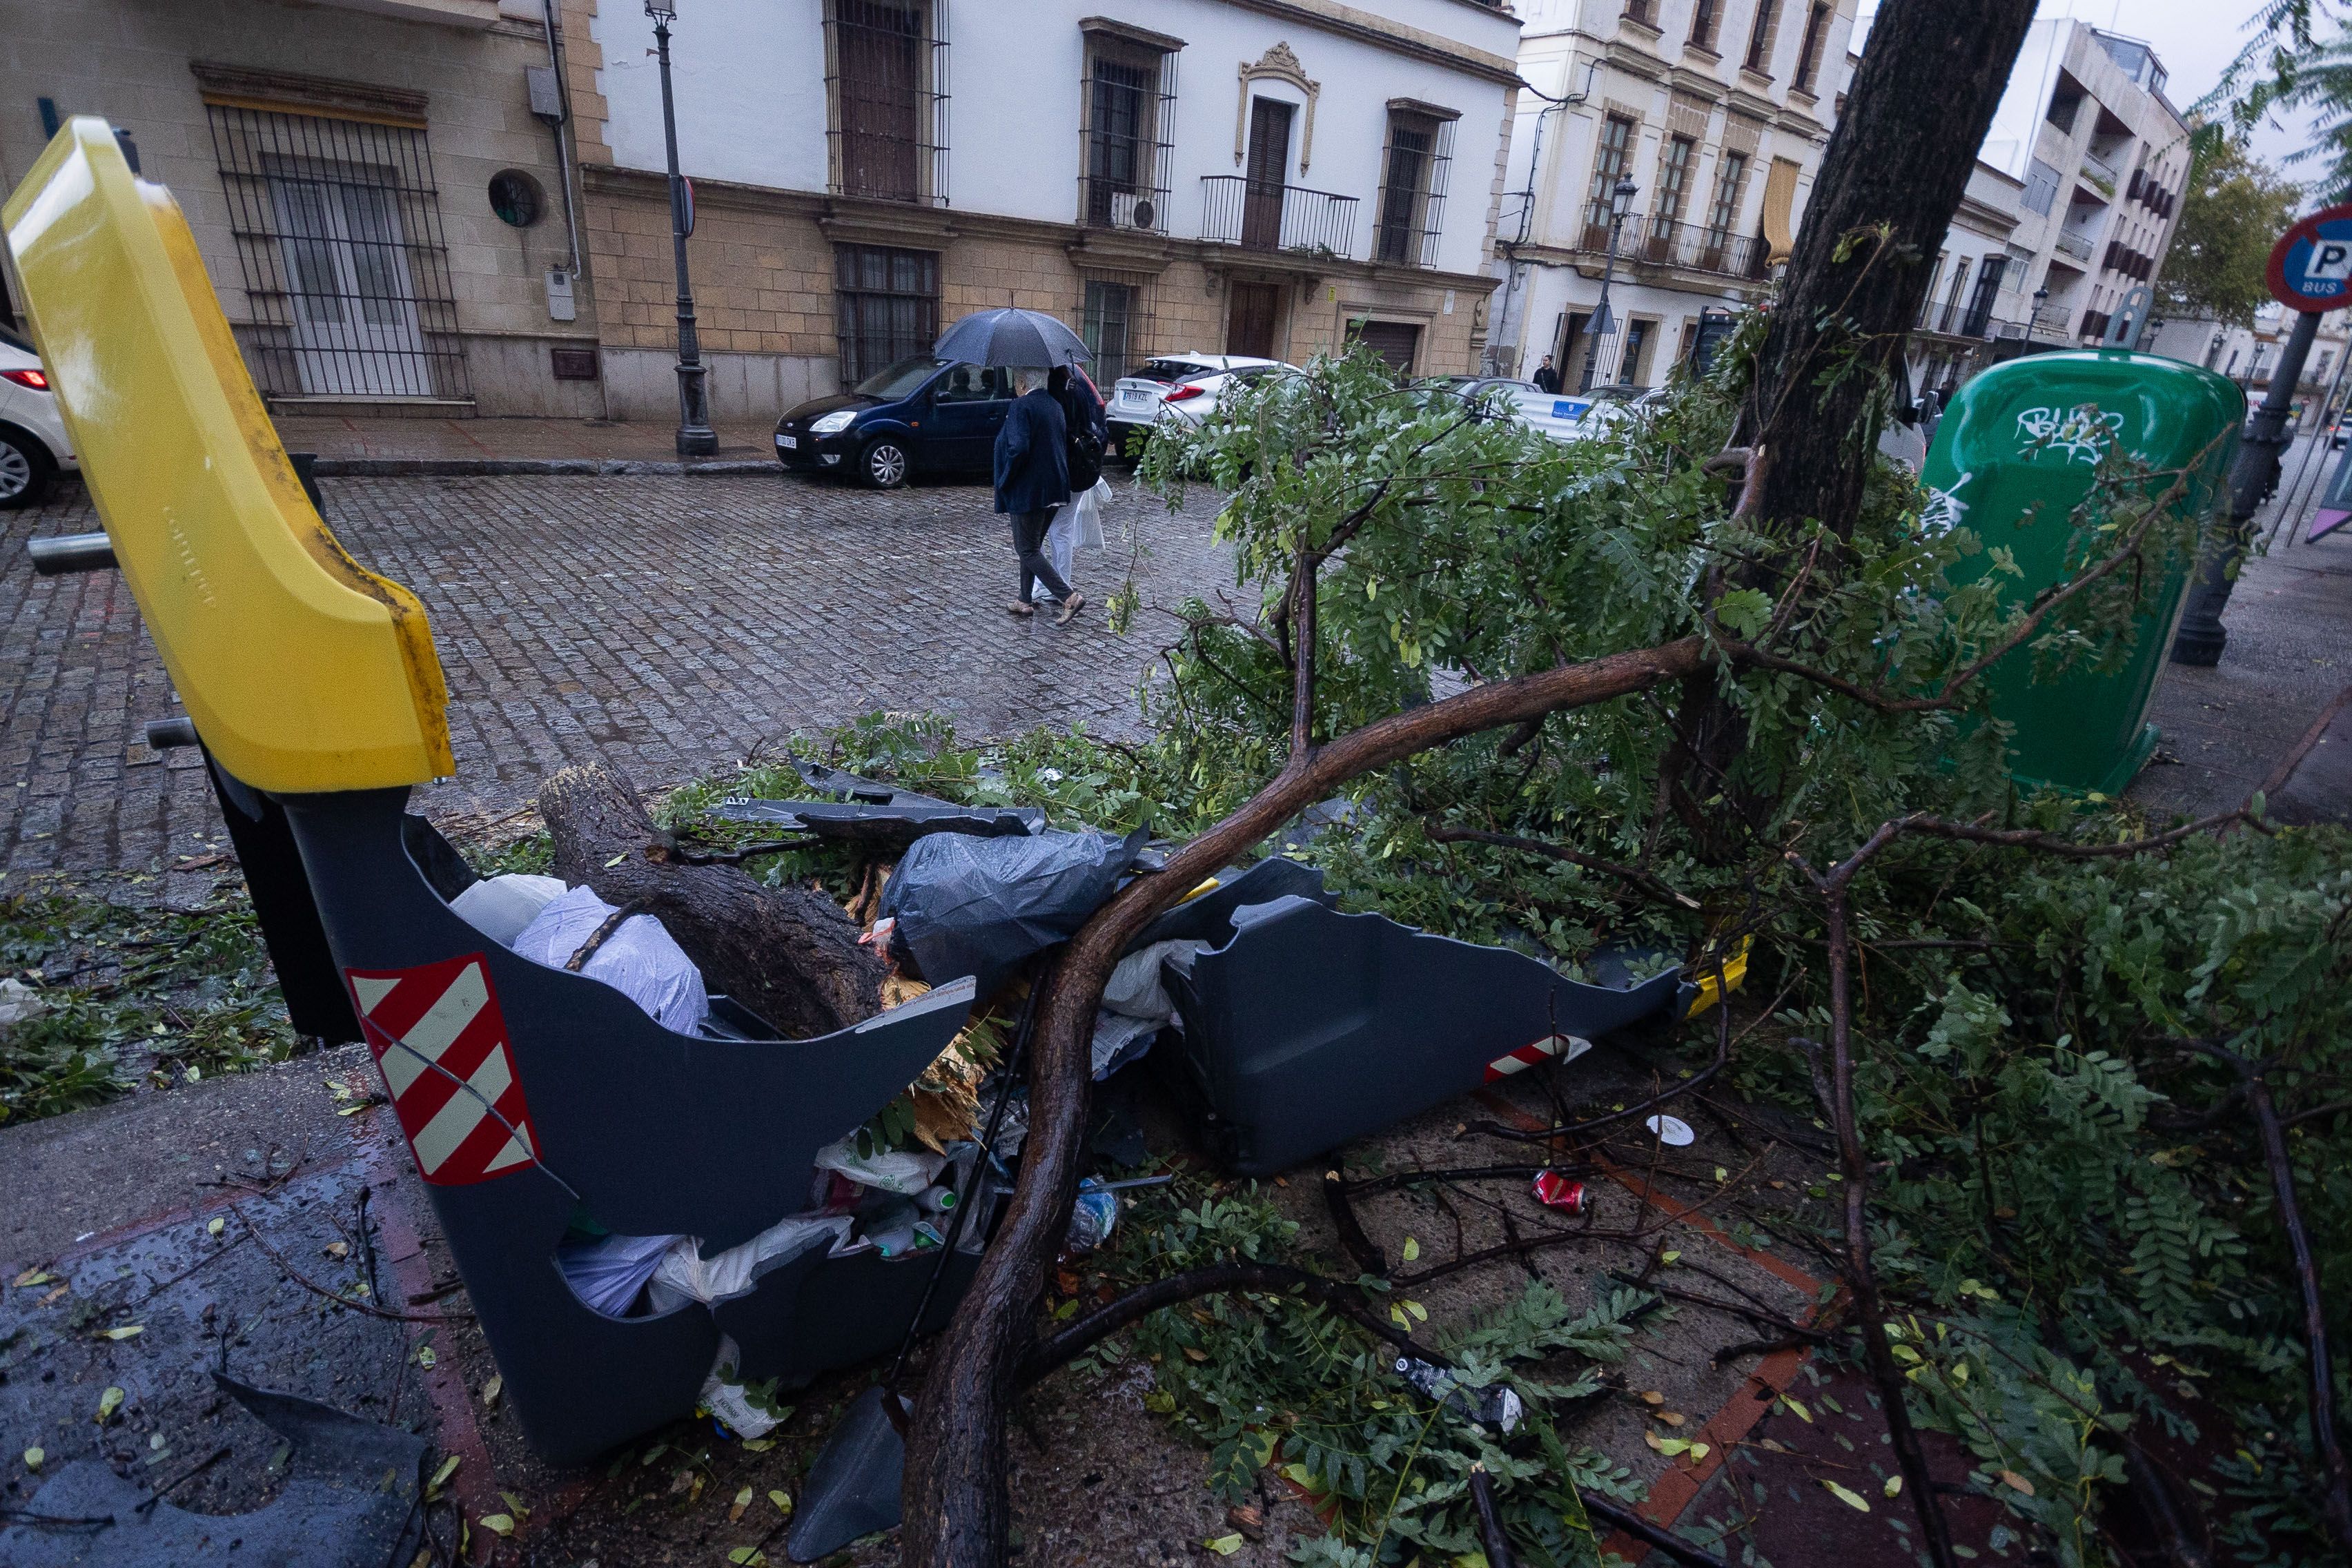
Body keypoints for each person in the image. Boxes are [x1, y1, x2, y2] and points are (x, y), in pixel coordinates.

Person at [994, 365, 1084, 623]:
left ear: (1022, 382)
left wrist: (1005, 478)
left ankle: (1068, 597)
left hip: (1029, 490)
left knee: (1027, 549)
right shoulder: (1054, 405)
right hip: (1055, 488)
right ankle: (1024, 599)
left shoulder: (1020, 407)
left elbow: (1019, 448)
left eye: (1015, 381)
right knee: (1031, 546)